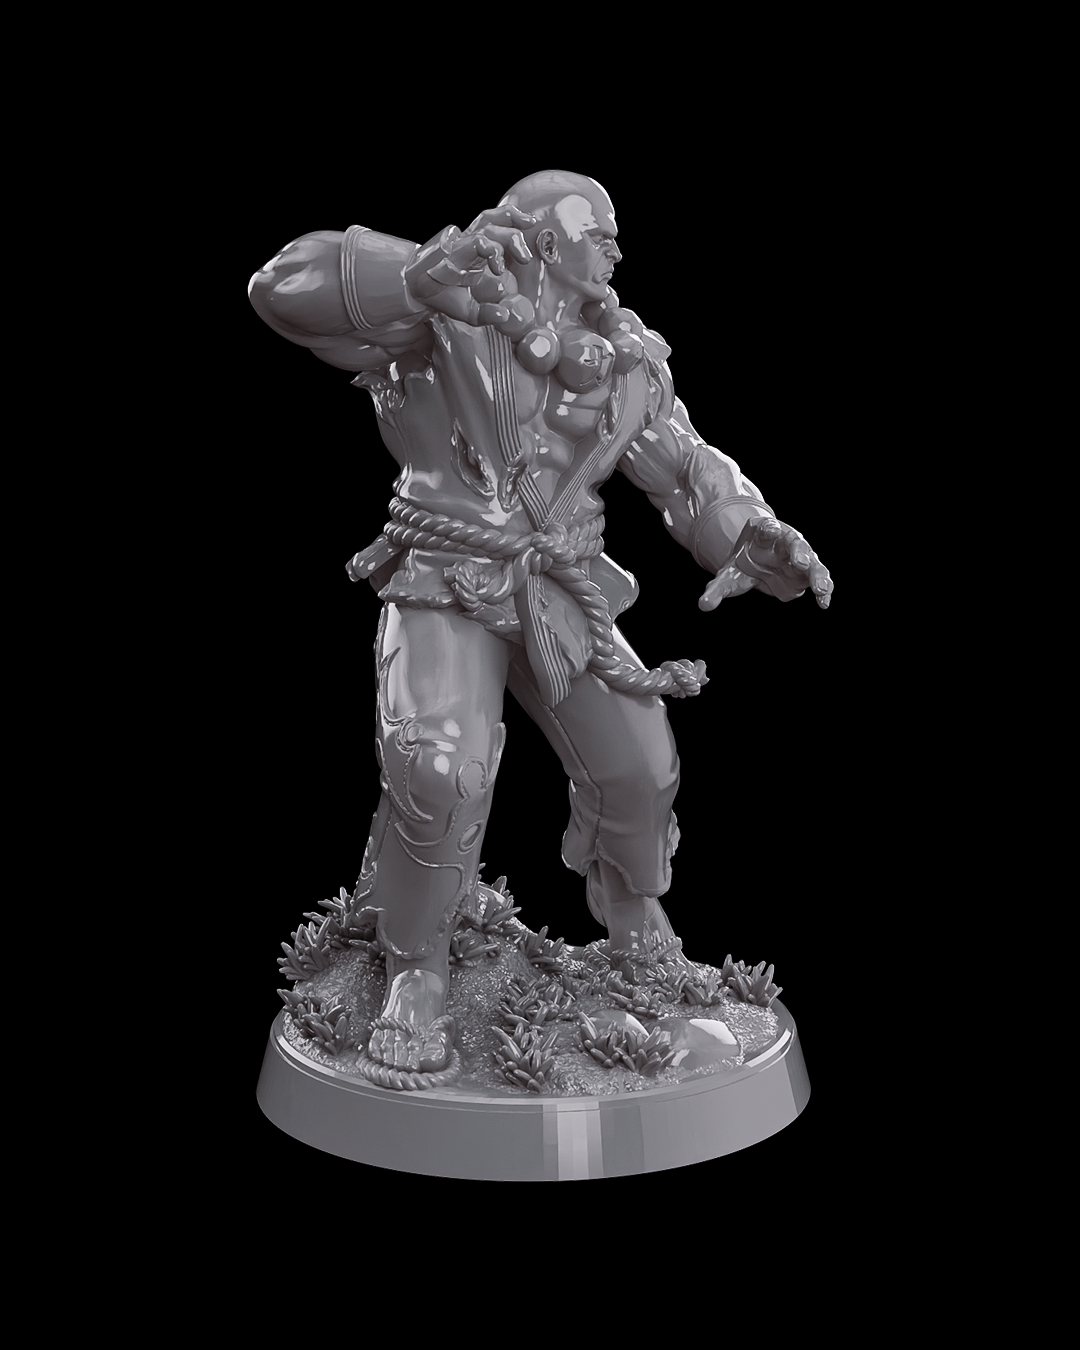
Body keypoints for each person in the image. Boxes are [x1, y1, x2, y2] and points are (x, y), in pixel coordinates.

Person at [249, 170, 832, 1086]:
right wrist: (415, 277)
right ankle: (416, 968)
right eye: (598, 234)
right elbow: (284, 286)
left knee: (641, 764)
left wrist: (753, 531)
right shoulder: (446, 308)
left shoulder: (621, 356)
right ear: (542, 241)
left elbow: (685, 468)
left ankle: (634, 914)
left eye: (614, 236)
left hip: (557, 581)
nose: (615, 250)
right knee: (439, 766)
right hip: (446, 575)